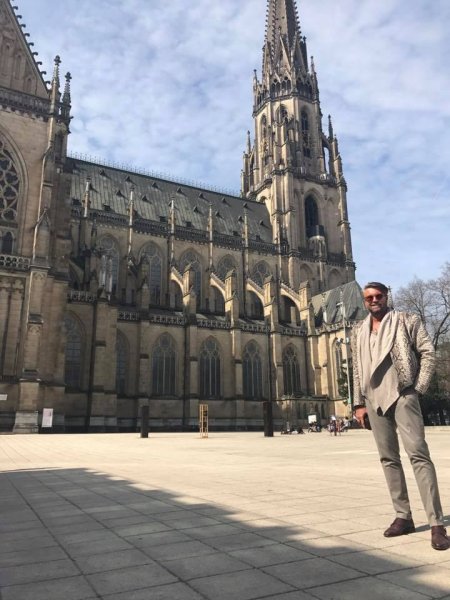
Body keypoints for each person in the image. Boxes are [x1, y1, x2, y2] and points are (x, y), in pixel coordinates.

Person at [351, 282, 449, 551]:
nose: (374, 300)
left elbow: (428, 352)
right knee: (388, 459)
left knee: (418, 455)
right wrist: (358, 403)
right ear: (364, 301)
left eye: (378, 296)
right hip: (373, 398)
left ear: (386, 297)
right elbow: (357, 369)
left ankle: (436, 524)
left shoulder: (407, 320)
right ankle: (403, 516)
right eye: (369, 297)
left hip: (403, 393)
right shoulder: (358, 330)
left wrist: (417, 389)